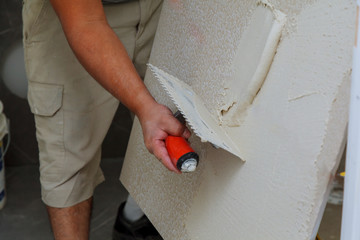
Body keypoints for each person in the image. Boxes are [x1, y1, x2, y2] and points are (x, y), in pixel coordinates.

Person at [22, 0, 190, 239]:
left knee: (177, 124)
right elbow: (86, 24)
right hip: (77, 14)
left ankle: (135, 218)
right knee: (68, 155)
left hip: (161, 7)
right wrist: (144, 107)